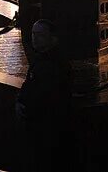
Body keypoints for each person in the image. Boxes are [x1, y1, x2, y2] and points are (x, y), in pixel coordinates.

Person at [16, 19, 73, 171]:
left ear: (52, 38)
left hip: (48, 129)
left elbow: (47, 94)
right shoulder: (40, 60)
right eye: (33, 34)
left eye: (39, 35)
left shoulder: (55, 64)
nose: (34, 38)